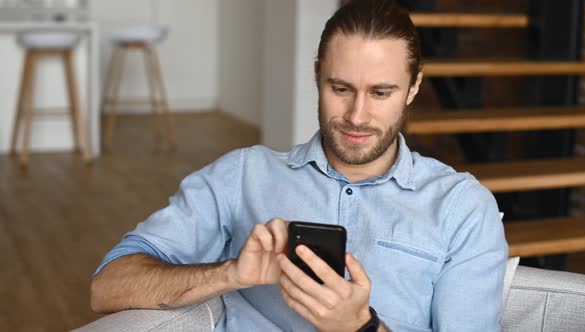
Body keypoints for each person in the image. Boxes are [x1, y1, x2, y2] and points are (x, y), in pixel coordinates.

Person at [90, 0, 508, 331]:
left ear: (413, 88)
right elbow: (107, 287)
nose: (357, 116)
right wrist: (231, 273)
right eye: (341, 88)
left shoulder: (462, 207)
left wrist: (360, 329)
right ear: (317, 78)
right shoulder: (243, 175)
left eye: (381, 93)